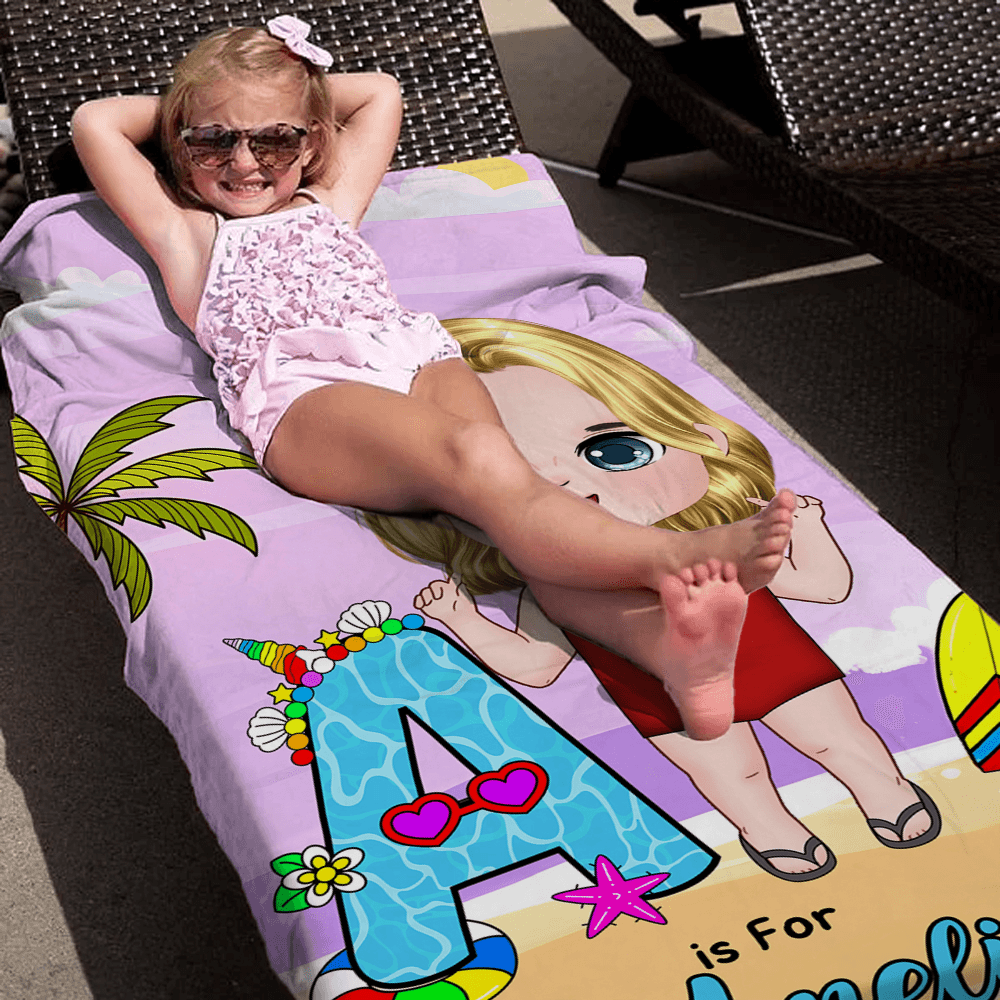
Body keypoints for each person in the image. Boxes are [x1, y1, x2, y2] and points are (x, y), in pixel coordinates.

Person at [70, 15, 797, 742]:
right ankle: (674, 557)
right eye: (213, 140)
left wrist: (286, 85)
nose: (244, 161)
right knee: (481, 459)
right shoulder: (189, 233)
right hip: (308, 397)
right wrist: (212, 98)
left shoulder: (330, 200)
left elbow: (380, 92)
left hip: (416, 359)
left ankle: (677, 655)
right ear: (180, 143)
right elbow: (95, 122)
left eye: (275, 140)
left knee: (512, 496)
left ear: (313, 141)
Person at [363, 318, 941, 881]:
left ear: (703, 437)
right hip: (652, 684)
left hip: (760, 651)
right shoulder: (552, 581)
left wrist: (806, 530)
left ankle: (882, 789)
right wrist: (462, 619)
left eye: (616, 451)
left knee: (835, 738)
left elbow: (823, 588)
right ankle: (770, 829)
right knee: (733, 773)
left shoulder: (714, 542)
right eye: (518, 484)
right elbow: (538, 665)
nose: (567, 487)